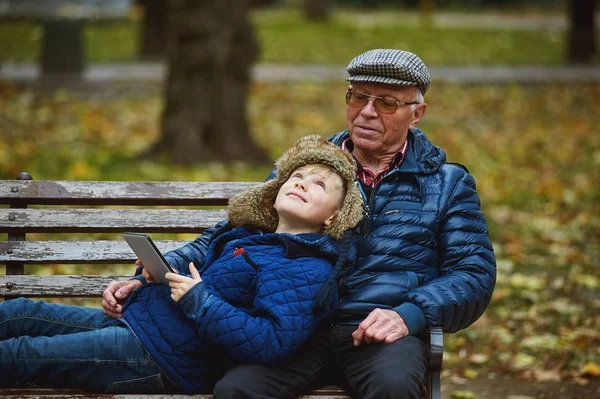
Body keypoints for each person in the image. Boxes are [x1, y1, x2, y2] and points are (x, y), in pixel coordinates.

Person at [132, 48, 496, 399]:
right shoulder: (311, 166)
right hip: (295, 329)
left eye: (386, 103)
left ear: (416, 114)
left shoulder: (446, 183)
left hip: (380, 333)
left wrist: (409, 314)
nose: (367, 112)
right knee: (237, 389)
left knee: (394, 389)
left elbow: (473, 272)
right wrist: (164, 267)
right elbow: (234, 231)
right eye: (358, 97)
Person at [0, 135, 364, 394]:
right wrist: (141, 282)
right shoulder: (250, 235)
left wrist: (201, 302)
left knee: (22, 354)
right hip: (143, 324)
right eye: (296, 177)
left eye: (318, 185)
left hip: (164, 359)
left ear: (334, 217)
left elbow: (270, 341)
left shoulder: (305, 266)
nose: (301, 184)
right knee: (17, 313)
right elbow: (191, 266)